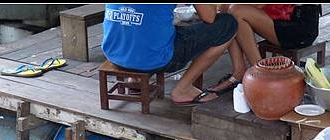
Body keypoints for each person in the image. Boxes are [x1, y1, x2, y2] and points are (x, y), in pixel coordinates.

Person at [102, 4, 237, 105]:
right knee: (228, 24)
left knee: (149, 24)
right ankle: (182, 89)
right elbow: (209, 17)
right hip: (156, 58)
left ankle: (134, 79)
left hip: (114, 53)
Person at [207, 4, 321, 95]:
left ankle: (260, 74)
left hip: (299, 28)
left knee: (237, 11)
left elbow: (257, 5)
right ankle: (239, 72)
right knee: (229, 11)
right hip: (282, 18)